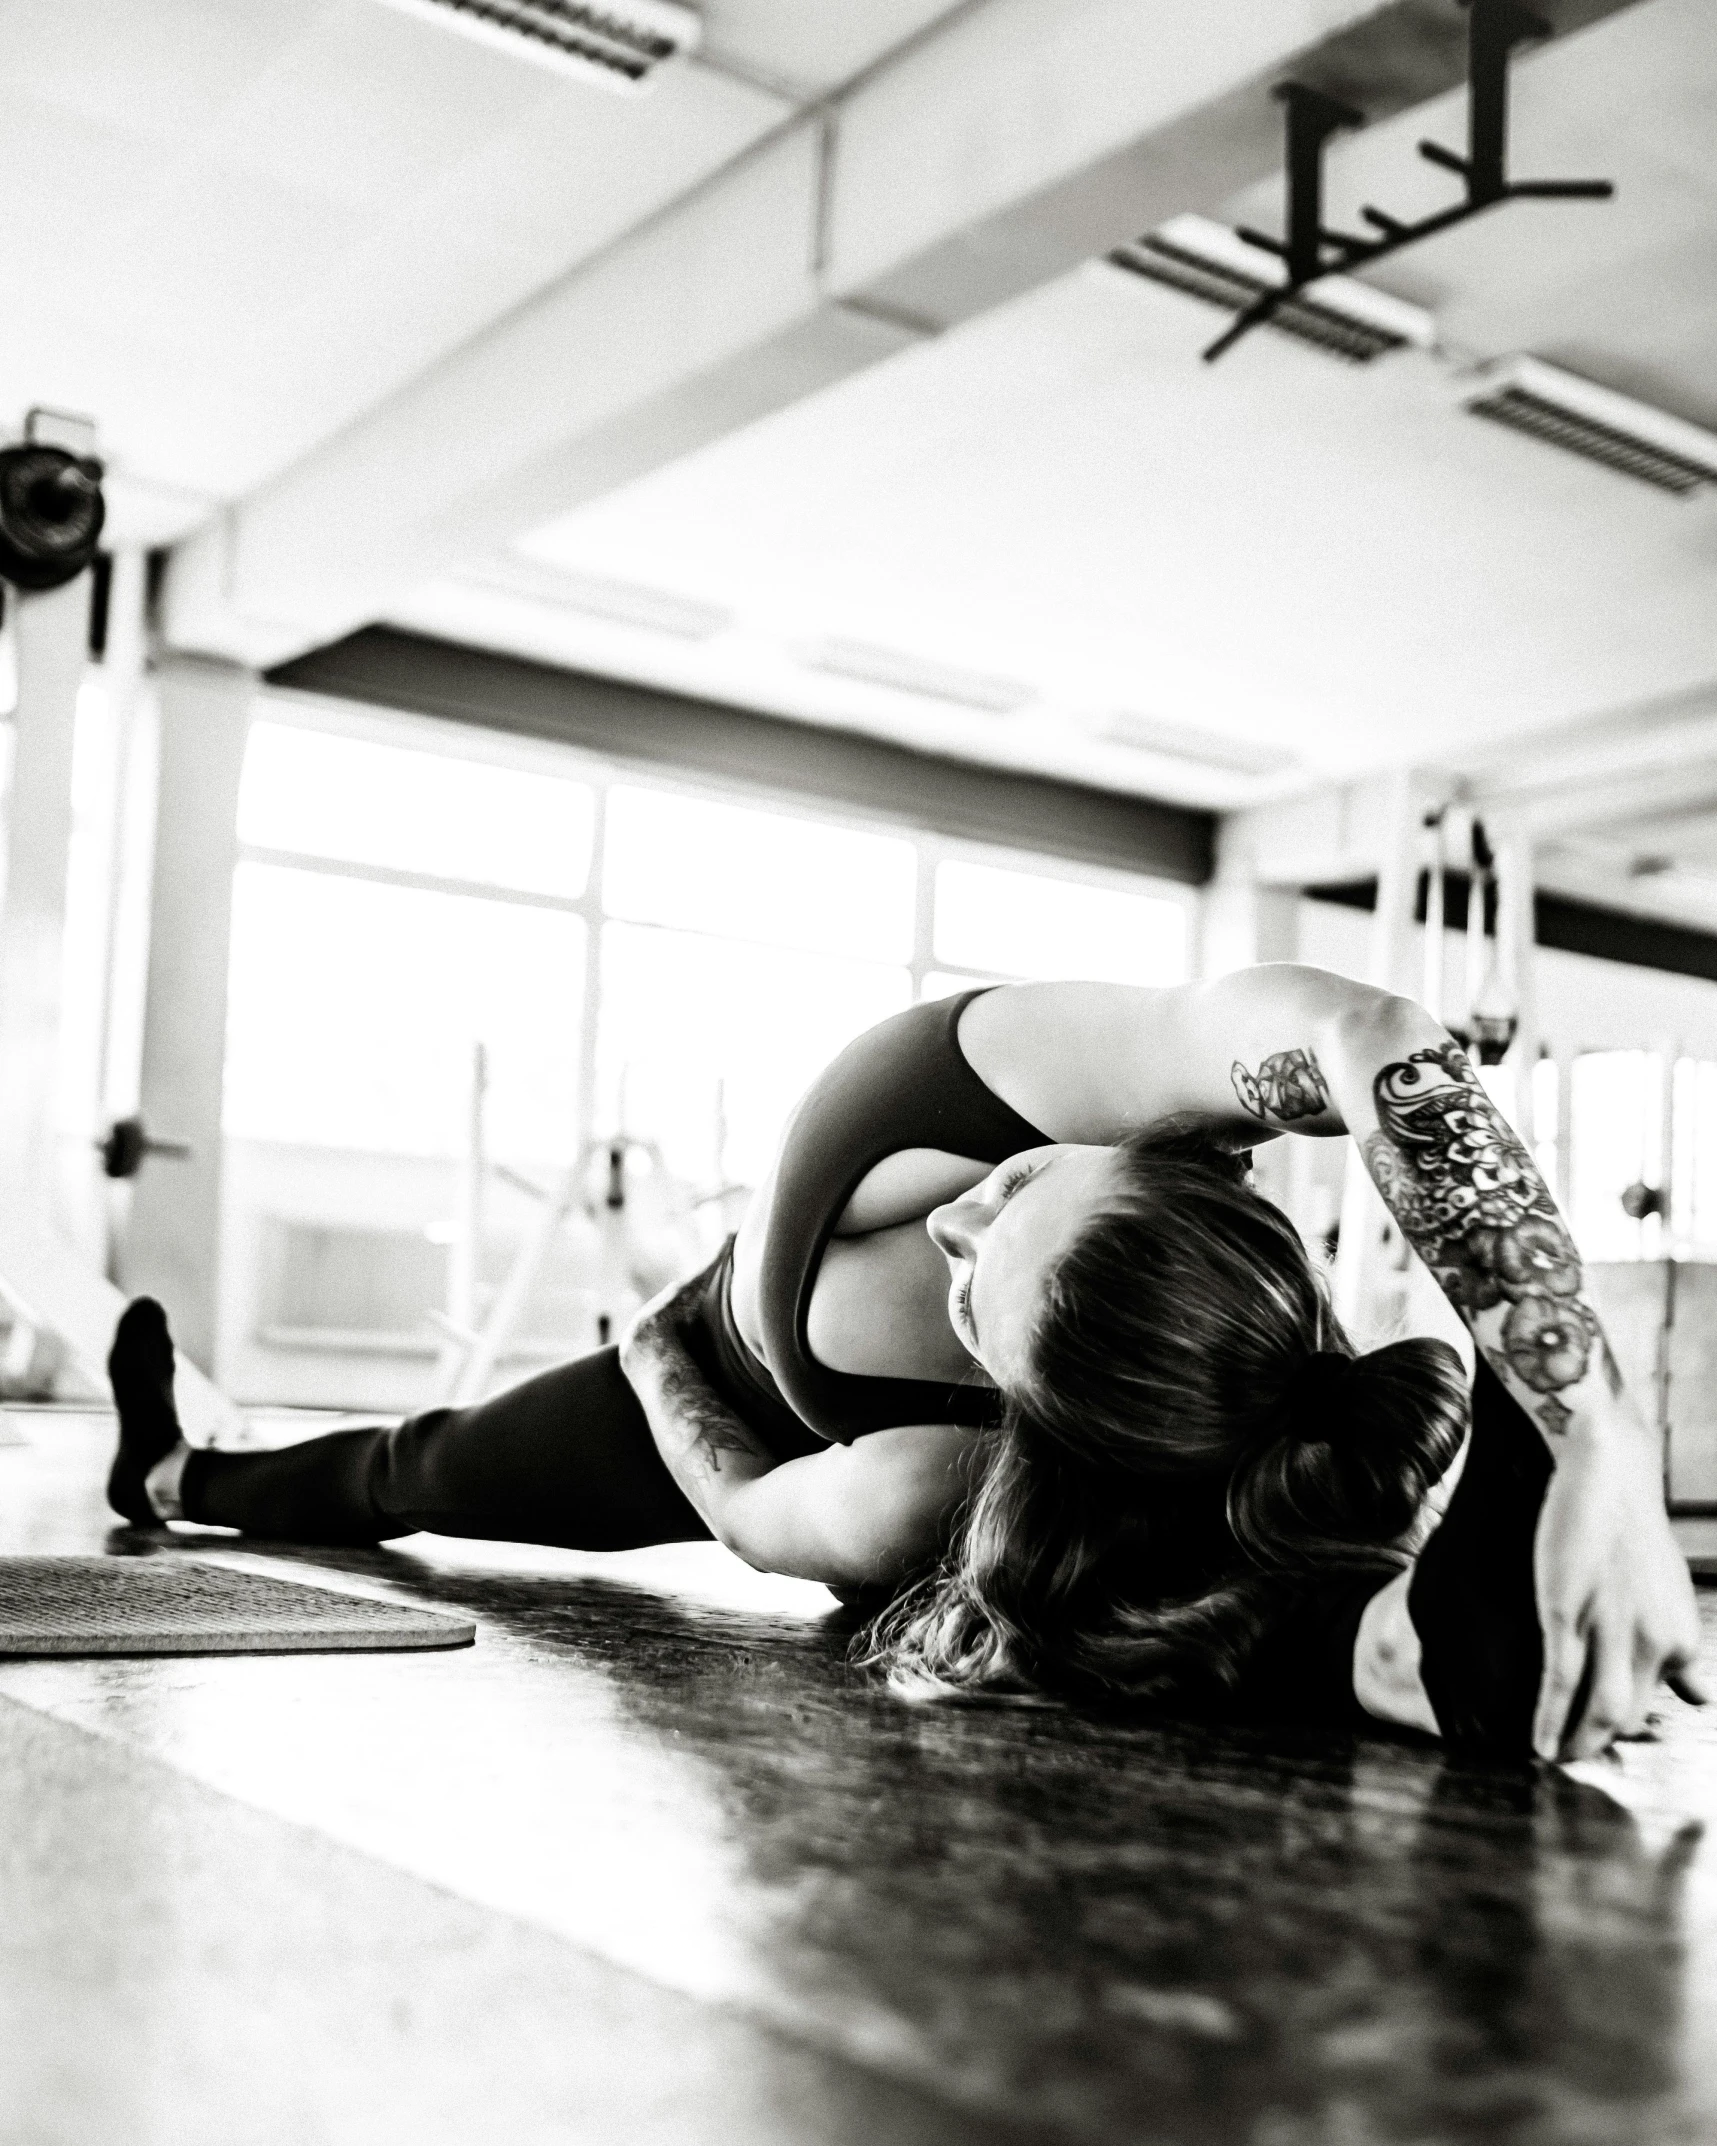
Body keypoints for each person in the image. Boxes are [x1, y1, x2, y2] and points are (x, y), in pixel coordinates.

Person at [106, 967, 1703, 1760]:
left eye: (972, 1312)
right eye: (1008, 1198)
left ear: (1037, 1406)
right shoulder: (1032, 1074)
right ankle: (175, 1470)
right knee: (419, 1466)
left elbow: (743, 1514)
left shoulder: (952, 1478)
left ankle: (1417, 1642)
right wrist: (1600, 1428)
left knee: (446, 1482)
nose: (953, 1235)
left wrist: (655, 1351)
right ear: (1153, 1154)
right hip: (722, 1321)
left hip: (715, 1400)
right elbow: (1371, 1037)